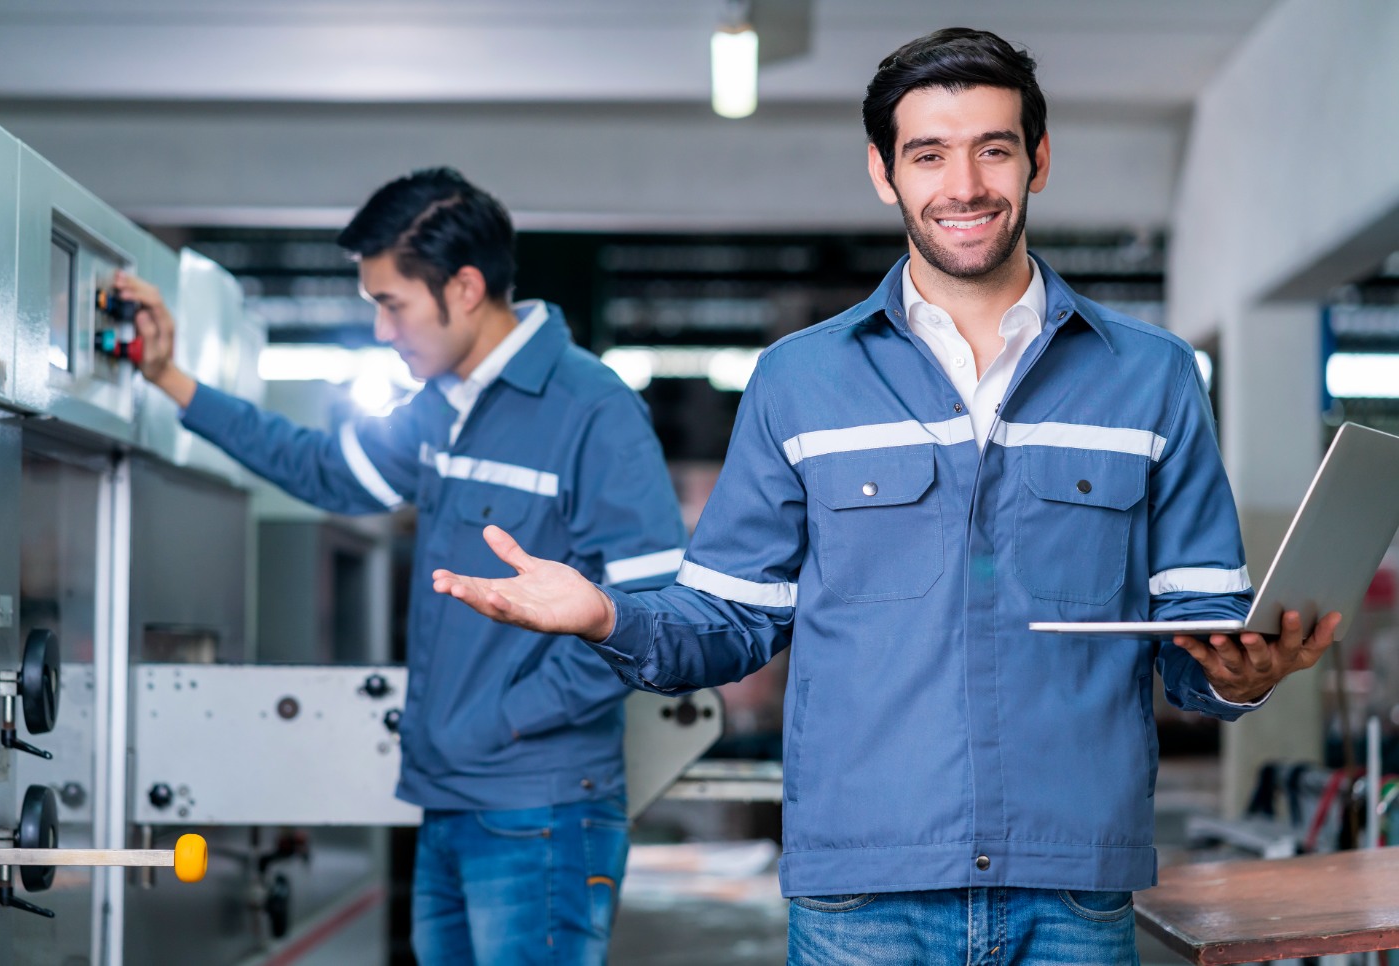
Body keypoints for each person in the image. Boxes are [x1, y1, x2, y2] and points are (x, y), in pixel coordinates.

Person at [429, 29, 1341, 965]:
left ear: (1039, 158)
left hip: (1072, 885)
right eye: (929, 154)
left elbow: (1198, 633)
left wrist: (1243, 669)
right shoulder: (797, 382)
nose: (966, 184)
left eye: (994, 147)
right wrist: (606, 616)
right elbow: (732, 621)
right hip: (861, 894)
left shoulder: (1150, 378)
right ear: (884, 172)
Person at [115, 167, 687, 965]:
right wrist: (170, 379)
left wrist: (502, 719)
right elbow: (322, 469)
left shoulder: (589, 408)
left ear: (464, 287)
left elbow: (655, 610)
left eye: (392, 305)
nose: (383, 331)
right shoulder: (440, 408)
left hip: (542, 808)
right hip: (449, 796)